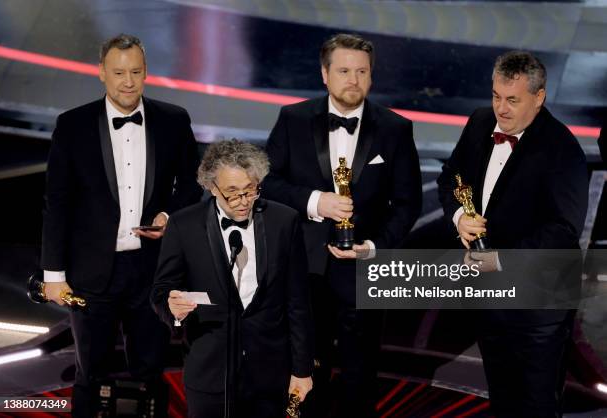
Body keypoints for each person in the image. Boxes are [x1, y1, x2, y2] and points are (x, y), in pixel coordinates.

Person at [40, 34, 203, 417]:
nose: (128, 81)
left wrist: (167, 217)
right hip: (90, 272)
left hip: (152, 270)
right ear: (101, 73)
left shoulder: (173, 120)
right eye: (118, 72)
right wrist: (53, 274)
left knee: (151, 370)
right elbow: (57, 203)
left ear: (146, 73)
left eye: (135, 72)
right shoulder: (73, 125)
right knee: (89, 372)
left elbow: (194, 183)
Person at [262, 33, 422, 417]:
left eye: (362, 71)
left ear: (371, 75)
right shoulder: (293, 118)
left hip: (365, 274)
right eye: (344, 70)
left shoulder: (395, 128)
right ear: (325, 74)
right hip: (304, 269)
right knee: (304, 370)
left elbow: (407, 203)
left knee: (360, 375)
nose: (353, 79)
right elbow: (265, 181)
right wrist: (317, 202)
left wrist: (374, 246)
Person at [437, 51, 588, 417]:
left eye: (512, 100)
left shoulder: (563, 150)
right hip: (489, 301)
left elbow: (562, 231)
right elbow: (451, 177)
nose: (501, 109)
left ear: (539, 97)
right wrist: (459, 218)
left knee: (535, 406)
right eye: (495, 96)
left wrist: (498, 259)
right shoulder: (479, 123)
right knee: (502, 400)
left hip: (538, 310)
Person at [151, 140, 314, 418]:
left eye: (250, 191)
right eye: (232, 193)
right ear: (212, 188)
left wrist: (302, 370)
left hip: (269, 375)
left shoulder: (284, 221)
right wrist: (172, 308)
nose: (242, 202)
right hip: (209, 373)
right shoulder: (184, 224)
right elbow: (161, 290)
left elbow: (297, 302)